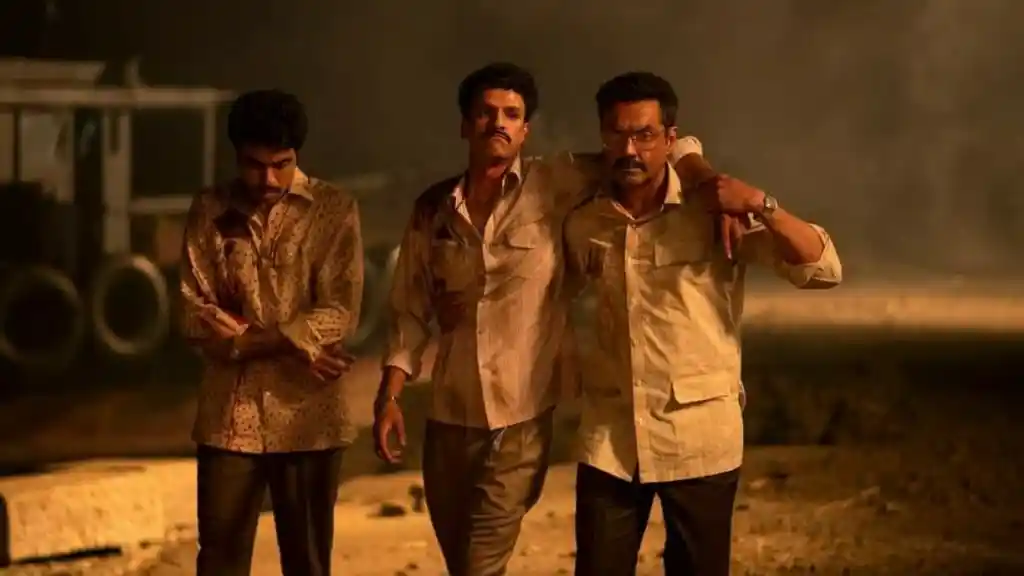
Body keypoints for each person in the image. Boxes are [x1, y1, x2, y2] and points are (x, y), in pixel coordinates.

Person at [372, 62, 716, 576]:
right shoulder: (433, 209)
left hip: (521, 419)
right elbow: (410, 309)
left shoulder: (555, 183)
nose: (499, 123)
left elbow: (644, 150)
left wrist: (703, 175)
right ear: (464, 124)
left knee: (480, 565)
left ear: (525, 129)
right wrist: (390, 396)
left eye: (511, 114)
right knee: (461, 561)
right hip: (449, 417)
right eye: (486, 113)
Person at [564, 71, 843, 576]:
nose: (630, 149)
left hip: (698, 437)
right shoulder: (585, 220)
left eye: (645, 135)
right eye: (617, 134)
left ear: (669, 138)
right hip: (611, 436)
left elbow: (823, 269)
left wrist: (760, 204)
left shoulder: (714, 211)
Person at [179, 89, 364, 576]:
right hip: (229, 418)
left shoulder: (333, 209)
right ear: (236, 156)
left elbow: (340, 312)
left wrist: (244, 341)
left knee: (308, 564)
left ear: (297, 154)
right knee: (218, 562)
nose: (268, 179)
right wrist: (298, 342)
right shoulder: (210, 209)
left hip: (309, 419)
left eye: (281, 165)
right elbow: (194, 313)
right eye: (255, 165)